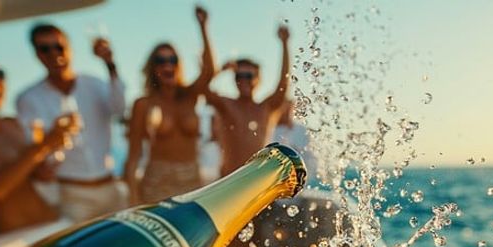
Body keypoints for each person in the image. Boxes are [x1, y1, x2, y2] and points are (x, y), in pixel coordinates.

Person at [0, 48, 78, 236]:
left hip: (51, 224)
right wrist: (44, 145)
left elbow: (30, 173)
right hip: (13, 238)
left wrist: (44, 168)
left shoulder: (13, 123)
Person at [17, 23, 126, 222]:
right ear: (37, 54)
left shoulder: (95, 84)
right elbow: (33, 148)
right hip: (72, 196)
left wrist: (110, 64)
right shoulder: (28, 98)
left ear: (70, 48)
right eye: (45, 49)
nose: (54, 54)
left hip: (111, 187)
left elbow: (119, 108)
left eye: (59, 47)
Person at [124, 6, 215, 204]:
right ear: (153, 68)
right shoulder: (143, 104)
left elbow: (209, 72)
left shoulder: (190, 96)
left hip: (192, 178)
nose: (168, 65)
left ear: (179, 65)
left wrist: (203, 27)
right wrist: (133, 199)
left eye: (172, 59)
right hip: (157, 181)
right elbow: (133, 156)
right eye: (161, 60)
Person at [205, 25, 290, 177]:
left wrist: (285, 43)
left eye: (249, 76)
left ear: (258, 79)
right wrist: (220, 71)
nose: (244, 80)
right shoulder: (226, 105)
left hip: (258, 182)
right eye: (239, 76)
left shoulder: (266, 108)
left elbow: (283, 86)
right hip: (228, 181)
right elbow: (203, 89)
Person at [272, 99, 315, 174]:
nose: (286, 112)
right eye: (283, 109)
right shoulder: (270, 130)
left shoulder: (302, 131)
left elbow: (310, 158)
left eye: (289, 109)